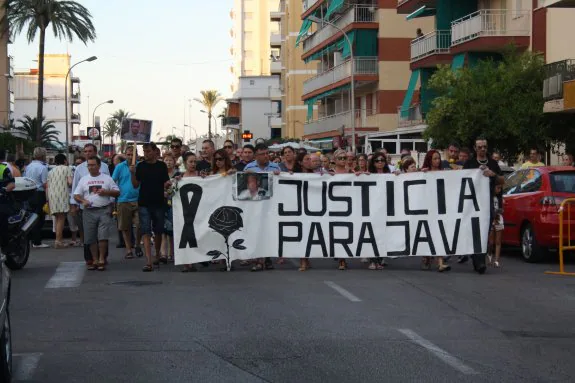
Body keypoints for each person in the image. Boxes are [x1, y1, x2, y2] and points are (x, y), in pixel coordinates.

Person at [463, 138, 504, 274]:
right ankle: (478, 260)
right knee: (474, 231)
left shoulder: (493, 163)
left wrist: (493, 174)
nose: (482, 149)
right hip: (472, 203)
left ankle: (479, 260)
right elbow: (461, 180)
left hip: (488, 203)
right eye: (479, 147)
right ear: (475, 148)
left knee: (485, 232)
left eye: (484, 147)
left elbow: (502, 180)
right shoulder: (469, 163)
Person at [74, 156, 119, 271]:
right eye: (89, 165)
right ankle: (94, 259)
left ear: (99, 166)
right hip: (89, 211)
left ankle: (102, 259)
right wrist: (83, 201)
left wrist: (106, 192)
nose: (91, 167)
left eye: (93, 165)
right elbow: (76, 195)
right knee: (90, 237)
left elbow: (117, 192)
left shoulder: (107, 178)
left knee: (102, 235)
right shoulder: (84, 179)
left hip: (104, 210)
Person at [130, 142, 170, 272]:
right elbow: (136, 185)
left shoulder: (162, 166)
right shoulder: (140, 166)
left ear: (155, 151)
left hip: (159, 202)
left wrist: (172, 183)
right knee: (146, 231)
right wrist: (132, 173)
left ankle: (157, 254)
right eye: (144, 151)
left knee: (158, 230)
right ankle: (148, 261)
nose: (146, 154)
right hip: (144, 203)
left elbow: (166, 182)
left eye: (148, 151)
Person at [71, 144, 110, 264]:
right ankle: (90, 258)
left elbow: (109, 184)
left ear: (95, 152)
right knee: (88, 233)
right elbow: (75, 187)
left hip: (102, 205)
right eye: (85, 151)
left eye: (90, 151)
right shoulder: (80, 168)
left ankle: (102, 257)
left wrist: (111, 203)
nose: (88, 153)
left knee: (102, 234)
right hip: (86, 206)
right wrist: (74, 204)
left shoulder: (104, 167)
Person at [244, 143, 281, 272]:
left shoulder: (275, 166)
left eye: (267, 153)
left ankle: (266, 258)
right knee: (257, 231)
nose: (266, 156)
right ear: (256, 156)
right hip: (254, 206)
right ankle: (259, 260)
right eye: (262, 154)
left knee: (268, 231)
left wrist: (280, 175)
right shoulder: (249, 167)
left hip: (270, 205)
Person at [112, 145, 142, 260]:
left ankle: (138, 244)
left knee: (140, 224)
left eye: (132, 154)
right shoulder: (120, 166)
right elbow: (113, 180)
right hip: (123, 200)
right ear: (125, 155)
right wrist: (115, 193)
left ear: (137, 155)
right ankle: (129, 249)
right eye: (128, 154)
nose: (130, 157)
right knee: (125, 227)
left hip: (139, 199)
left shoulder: (140, 166)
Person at [179, 152, 201, 272]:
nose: (193, 164)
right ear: (185, 163)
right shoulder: (180, 177)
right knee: (186, 235)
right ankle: (186, 262)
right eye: (190, 162)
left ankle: (195, 260)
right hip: (185, 213)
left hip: (199, 212)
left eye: (195, 162)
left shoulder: (201, 176)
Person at [24, 147, 49, 248]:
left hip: (29, 193)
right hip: (39, 194)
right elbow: (45, 184)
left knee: (31, 218)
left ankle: (30, 240)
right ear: (43, 155)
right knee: (39, 218)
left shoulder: (29, 166)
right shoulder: (43, 167)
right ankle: (37, 241)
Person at [47, 153, 73, 248]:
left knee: (57, 218)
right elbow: (70, 182)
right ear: (65, 161)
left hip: (52, 196)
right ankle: (58, 241)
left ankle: (58, 240)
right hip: (62, 195)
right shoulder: (67, 169)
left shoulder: (51, 171)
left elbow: (48, 185)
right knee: (61, 218)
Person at [161, 152, 182, 262]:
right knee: (163, 229)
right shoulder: (159, 173)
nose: (168, 162)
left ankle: (172, 253)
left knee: (173, 230)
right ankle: (163, 254)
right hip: (162, 203)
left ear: (174, 162)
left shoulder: (179, 174)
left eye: (170, 160)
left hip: (175, 204)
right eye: (166, 160)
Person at [488, 183, 504, 268]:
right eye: (498, 188)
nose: (499, 190)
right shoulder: (488, 196)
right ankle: (489, 254)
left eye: (500, 188)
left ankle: (496, 260)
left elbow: (502, 209)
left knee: (498, 241)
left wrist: (500, 211)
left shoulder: (500, 198)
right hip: (491, 219)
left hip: (499, 218)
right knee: (491, 242)